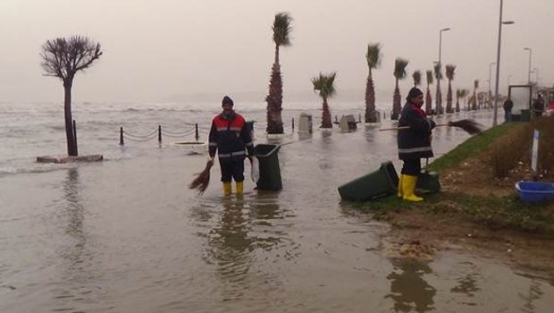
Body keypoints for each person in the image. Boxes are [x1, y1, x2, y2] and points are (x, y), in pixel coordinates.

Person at [208, 96, 255, 196]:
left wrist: (252, 154)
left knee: (239, 177)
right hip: (223, 156)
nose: (227, 108)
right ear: (222, 106)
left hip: (238, 156)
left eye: (229, 105)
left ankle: (239, 198)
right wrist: (211, 155)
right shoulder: (216, 120)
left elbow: (247, 139)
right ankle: (227, 200)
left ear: (232, 106)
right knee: (226, 178)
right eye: (225, 106)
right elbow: (212, 140)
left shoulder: (240, 119)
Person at [397, 87, 436, 202]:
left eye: (422, 98)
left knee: (407, 167)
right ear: (412, 98)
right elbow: (422, 125)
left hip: (409, 145)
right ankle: (408, 194)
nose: (422, 100)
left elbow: (422, 123)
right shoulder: (410, 111)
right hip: (410, 146)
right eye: (419, 98)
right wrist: (431, 123)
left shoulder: (410, 108)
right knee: (413, 168)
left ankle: (401, 192)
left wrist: (427, 124)